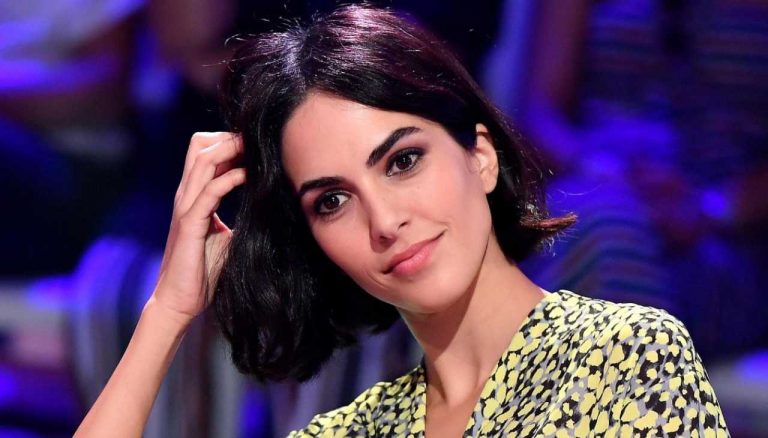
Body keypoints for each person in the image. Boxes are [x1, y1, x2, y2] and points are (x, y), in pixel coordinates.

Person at [75, 5, 729, 437]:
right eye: (332, 201)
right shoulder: (354, 428)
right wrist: (169, 309)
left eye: (403, 161)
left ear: (480, 156)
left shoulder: (627, 356)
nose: (383, 221)